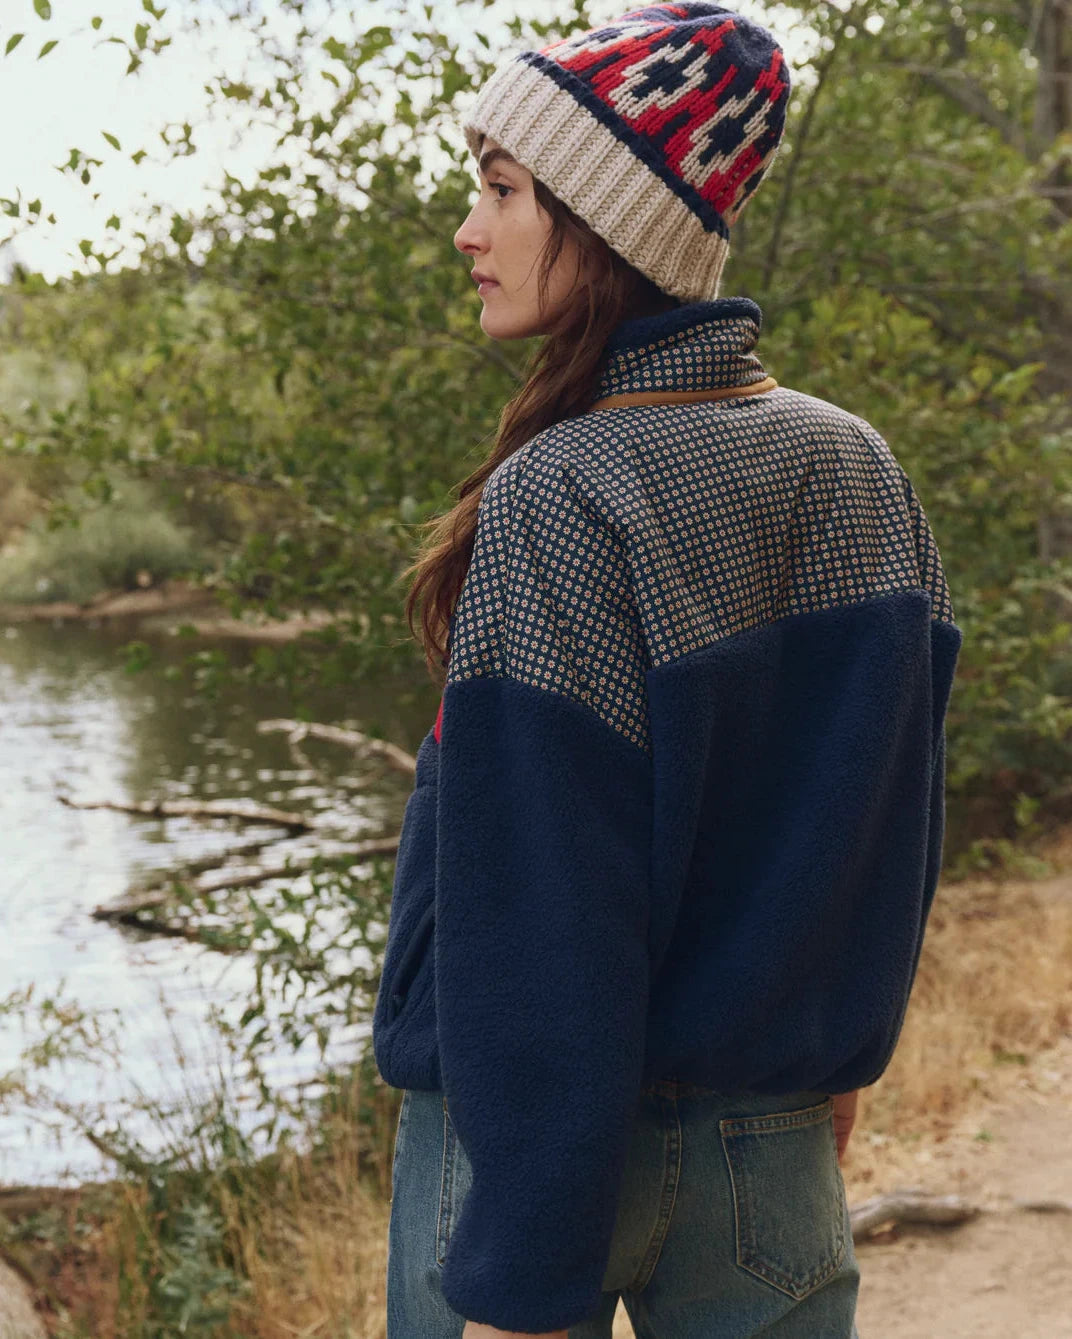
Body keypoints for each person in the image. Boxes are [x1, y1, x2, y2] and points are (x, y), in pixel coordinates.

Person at [371, 4, 962, 1337]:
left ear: (606, 223)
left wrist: (521, 1285)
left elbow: (542, 904)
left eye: (503, 190)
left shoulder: (563, 493)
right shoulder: (855, 466)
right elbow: (885, 813)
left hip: (521, 1161)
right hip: (773, 1143)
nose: (469, 231)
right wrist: (831, 1058)